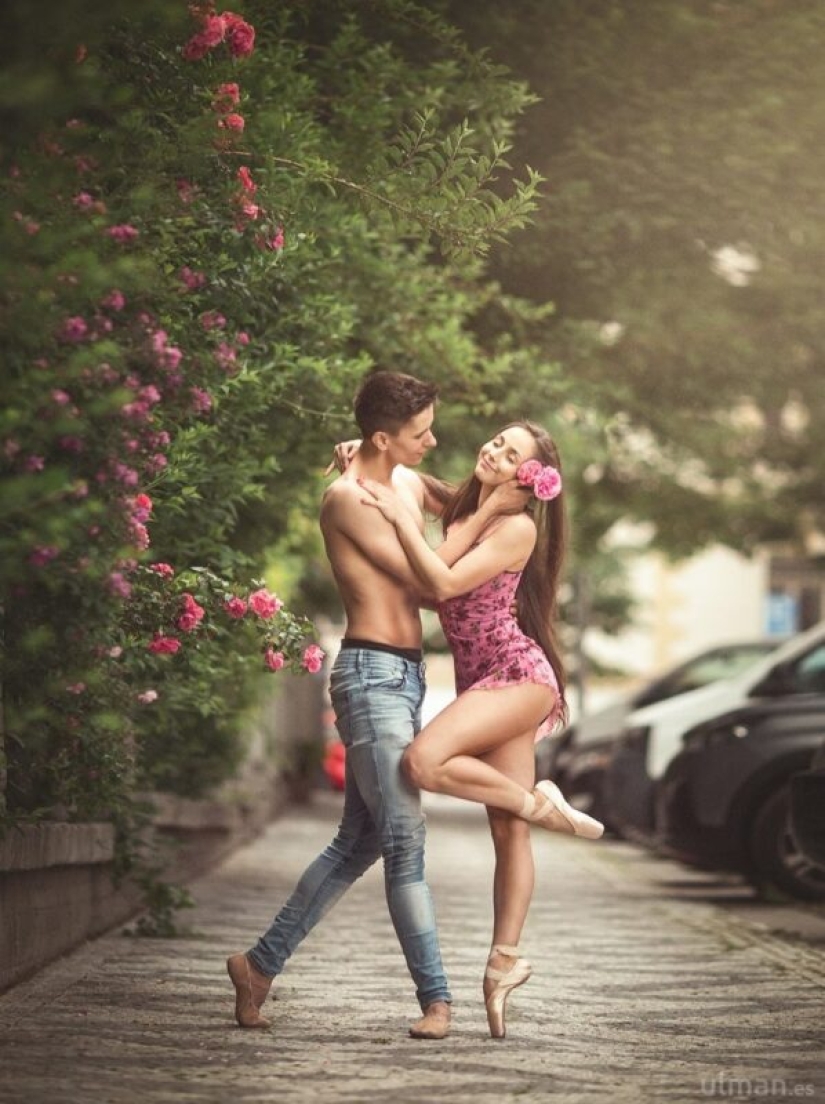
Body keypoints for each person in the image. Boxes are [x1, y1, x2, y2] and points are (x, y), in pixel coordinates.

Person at [226, 371, 522, 1039]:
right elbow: (427, 583)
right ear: (383, 438)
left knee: (356, 840)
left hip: (404, 678)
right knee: (402, 841)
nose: (434, 440)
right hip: (369, 676)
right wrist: (398, 497)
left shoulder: (406, 481)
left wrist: (510, 489)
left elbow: (469, 513)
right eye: (420, 434)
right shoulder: (348, 498)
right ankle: (437, 1000)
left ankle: (257, 966)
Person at [358, 420, 604, 1039]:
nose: (492, 450)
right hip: (488, 681)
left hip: (517, 677)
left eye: (510, 452)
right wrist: (361, 454)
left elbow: (434, 582)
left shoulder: (515, 527)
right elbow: (412, 477)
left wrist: (473, 508)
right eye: (497, 441)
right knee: (507, 830)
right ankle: (503, 967)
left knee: (423, 763)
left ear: (530, 477)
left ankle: (540, 805)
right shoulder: (472, 502)